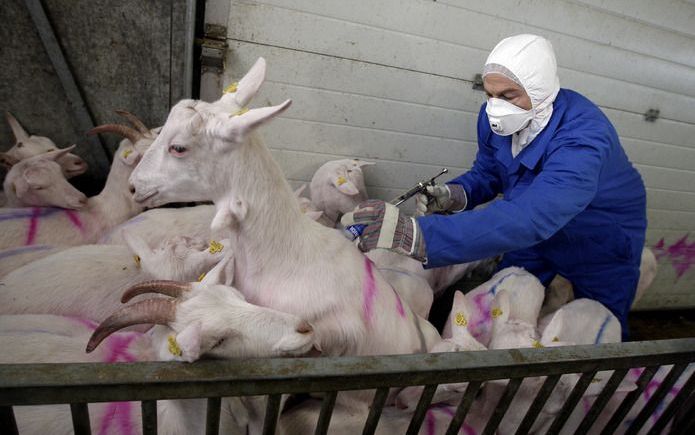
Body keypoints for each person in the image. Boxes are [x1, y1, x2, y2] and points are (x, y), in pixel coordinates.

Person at [341, 34, 646, 340]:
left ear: (539, 90)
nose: (495, 106)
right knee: (509, 293)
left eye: (509, 95)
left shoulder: (584, 137)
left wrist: (419, 236)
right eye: (489, 94)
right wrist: (455, 194)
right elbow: (489, 171)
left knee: (597, 325)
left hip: (597, 235)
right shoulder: (494, 119)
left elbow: (533, 217)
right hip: (525, 227)